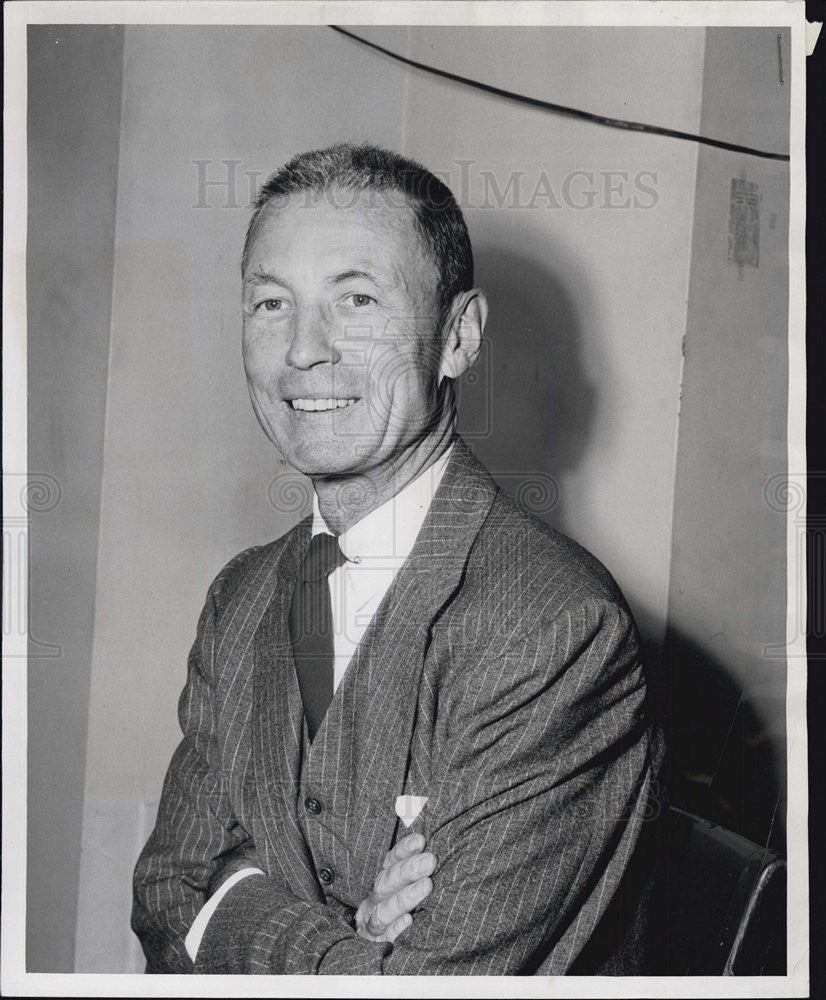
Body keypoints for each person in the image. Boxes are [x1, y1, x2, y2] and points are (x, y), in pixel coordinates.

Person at [132, 142, 664, 975]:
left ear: (458, 335)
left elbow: (430, 984)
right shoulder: (241, 596)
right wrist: (353, 937)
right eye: (271, 304)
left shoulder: (555, 626)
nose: (304, 350)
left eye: (357, 299)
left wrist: (237, 903)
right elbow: (165, 896)